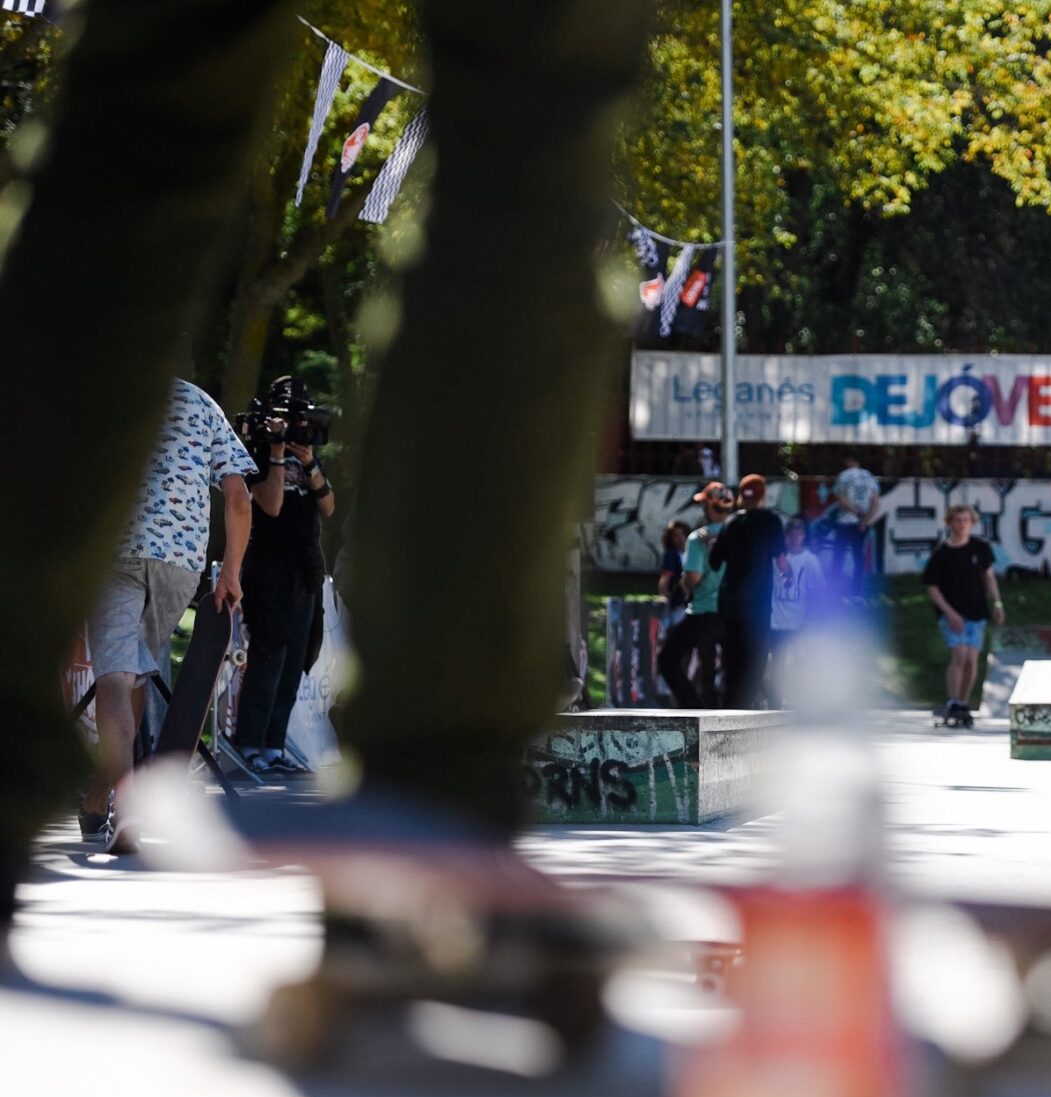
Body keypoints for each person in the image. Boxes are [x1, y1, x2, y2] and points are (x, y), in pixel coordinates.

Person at [0, 1, 656, 983]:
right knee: (529, 108)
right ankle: (436, 783)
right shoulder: (223, 438)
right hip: (200, 559)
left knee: (145, 103)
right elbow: (241, 492)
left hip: (182, 554)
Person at [76, 379, 255, 849]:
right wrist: (230, 573)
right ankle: (105, 798)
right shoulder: (204, 405)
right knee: (135, 670)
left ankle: (122, 799)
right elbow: (239, 497)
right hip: (181, 563)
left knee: (115, 676)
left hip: (117, 549)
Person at [234, 377, 335, 775]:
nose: (292, 425)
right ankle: (250, 743)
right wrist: (276, 452)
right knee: (268, 659)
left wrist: (307, 462)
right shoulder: (257, 451)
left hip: (305, 569)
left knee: (295, 661)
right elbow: (271, 506)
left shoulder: (307, 452)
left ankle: (274, 746)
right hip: (270, 569)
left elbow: (327, 505)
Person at [709, 474, 786, 708]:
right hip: (757, 604)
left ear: (742, 496)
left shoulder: (730, 523)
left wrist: (715, 543)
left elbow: (714, 562)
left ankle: (729, 708)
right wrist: (790, 574)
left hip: (730, 603)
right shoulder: (771, 521)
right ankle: (744, 709)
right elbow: (781, 560)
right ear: (763, 495)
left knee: (732, 660)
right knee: (756, 658)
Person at [922, 505, 1005, 720]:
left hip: (976, 611)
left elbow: (989, 577)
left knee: (971, 659)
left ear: (972, 523)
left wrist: (997, 603)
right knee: (959, 654)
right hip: (952, 613)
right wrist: (949, 613)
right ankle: (952, 700)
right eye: (957, 520)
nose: (961, 525)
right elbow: (932, 587)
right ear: (950, 523)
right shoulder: (942, 553)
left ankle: (963, 702)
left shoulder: (980, 548)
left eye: (966, 520)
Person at [658, 483, 732, 708]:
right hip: (731, 612)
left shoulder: (698, 538)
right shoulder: (738, 533)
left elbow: (694, 578)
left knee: (667, 660)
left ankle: (694, 708)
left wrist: (683, 582)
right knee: (725, 667)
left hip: (703, 610)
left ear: (709, 507)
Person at [768, 517, 825, 703]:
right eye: (791, 532)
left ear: (803, 535)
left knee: (801, 663)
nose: (794, 536)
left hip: (798, 622)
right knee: (777, 664)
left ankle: (802, 702)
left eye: (798, 532)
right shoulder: (776, 557)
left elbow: (818, 592)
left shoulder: (810, 560)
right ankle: (776, 701)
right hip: (776, 621)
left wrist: (812, 619)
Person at [827, 456, 882, 589]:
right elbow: (875, 503)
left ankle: (835, 589)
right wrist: (865, 520)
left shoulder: (844, 476)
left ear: (849, 461)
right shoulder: (870, 477)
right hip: (861, 524)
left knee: (839, 555)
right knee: (858, 557)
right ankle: (857, 591)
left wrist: (856, 511)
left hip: (844, 522)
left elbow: (841, 499)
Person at [659, 520, 692, 626]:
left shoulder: (691, 553)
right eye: (676, 536)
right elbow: (665, 577)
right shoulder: (672, 555)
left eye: (682, 534)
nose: (680, 539)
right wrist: (664, 595)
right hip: (679, 602)